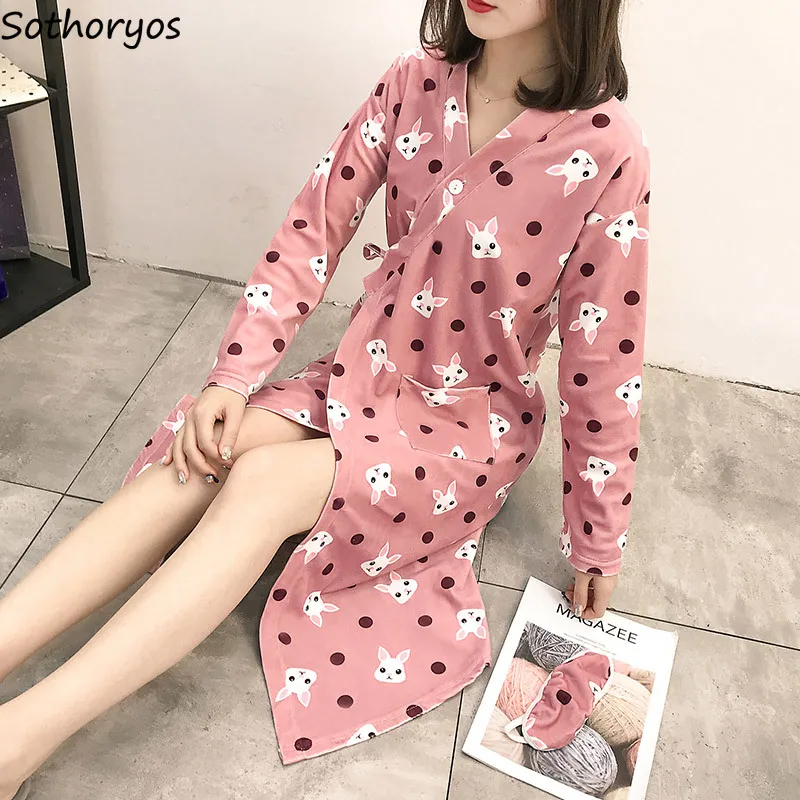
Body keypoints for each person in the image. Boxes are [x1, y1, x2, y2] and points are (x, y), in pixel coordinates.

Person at [0, 0, 650, 792]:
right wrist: (234, 374)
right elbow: (314, 228)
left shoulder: (607, 147)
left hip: (466, 431)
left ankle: (19, 739)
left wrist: (598, 537)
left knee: (263, 483)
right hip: (361, 373)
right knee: (208, 448)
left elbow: (603, 359)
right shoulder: (414, 83)